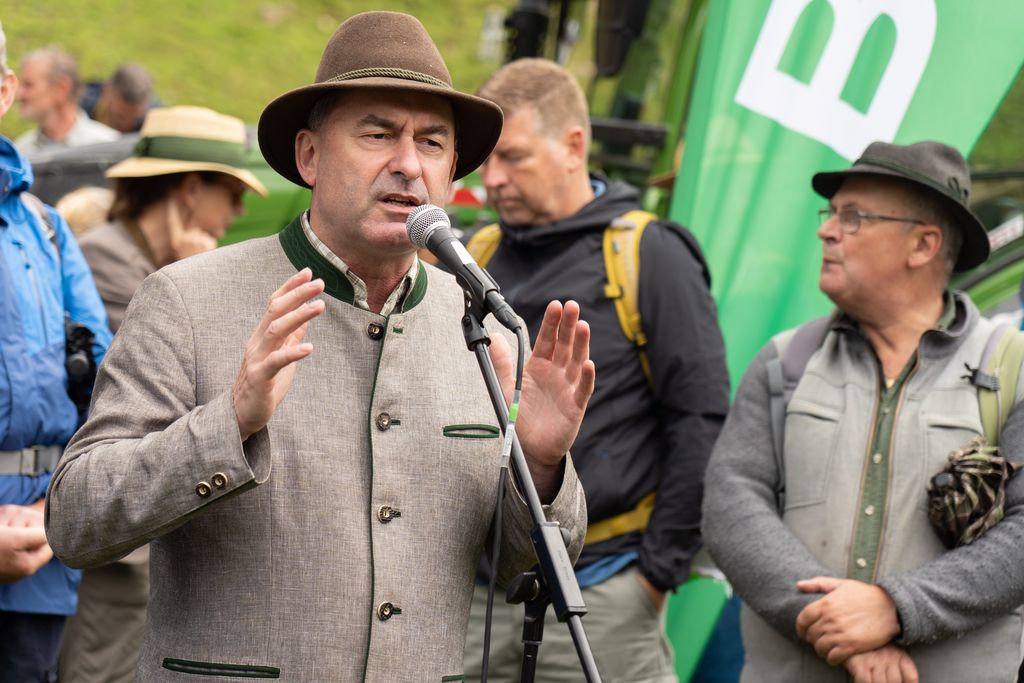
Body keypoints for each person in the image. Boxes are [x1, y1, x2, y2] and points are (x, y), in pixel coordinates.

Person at [44, 11, 593, 682]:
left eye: (431, 142)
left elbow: (529, 573)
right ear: (309, 156)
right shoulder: (185, 300)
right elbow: (76, 522)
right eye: (378, 134)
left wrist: (540, 464)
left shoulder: (486, 329)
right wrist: (230, 423)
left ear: (452, 171)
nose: (407, 163)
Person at [703, 140, 1024, 682]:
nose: (827, 231)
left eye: (853, 217)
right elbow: (731, 507)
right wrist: (835, 625)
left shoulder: (1013, 370)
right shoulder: (786, 361)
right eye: (831, 214)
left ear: (922, 244)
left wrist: (897, 608)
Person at [462, 58, 730, 682]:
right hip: (477, 596)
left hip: (604, 593)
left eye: (513, 157)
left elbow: (701, 419)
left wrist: (655, 575)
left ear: (574, 146)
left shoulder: (648, 253)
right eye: (486, 161)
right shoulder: (475, 253)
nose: (492, 179)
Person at [58, 105, 267, 683]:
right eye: (231, 193)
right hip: (113, 551)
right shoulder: (106, 262)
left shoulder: (146, 260)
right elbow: (185, 389)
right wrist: (196, 282)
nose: (239, 212)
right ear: (190, 189)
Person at [0, 21, 113, 683]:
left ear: (6, 90)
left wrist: (50, 513)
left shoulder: (46, 228)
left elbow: (108, 390)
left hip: (38, 557)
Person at [14, 46, 118, 154]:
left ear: (61, 89)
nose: (18, 95)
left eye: (28, 85)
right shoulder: (20, 151)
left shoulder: (107, 146)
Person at [80, 62, 155, 134]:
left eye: (136, 120)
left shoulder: (154, 115)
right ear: (106, 92)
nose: (127, 125)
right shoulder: (79, 108)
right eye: (120, 117)